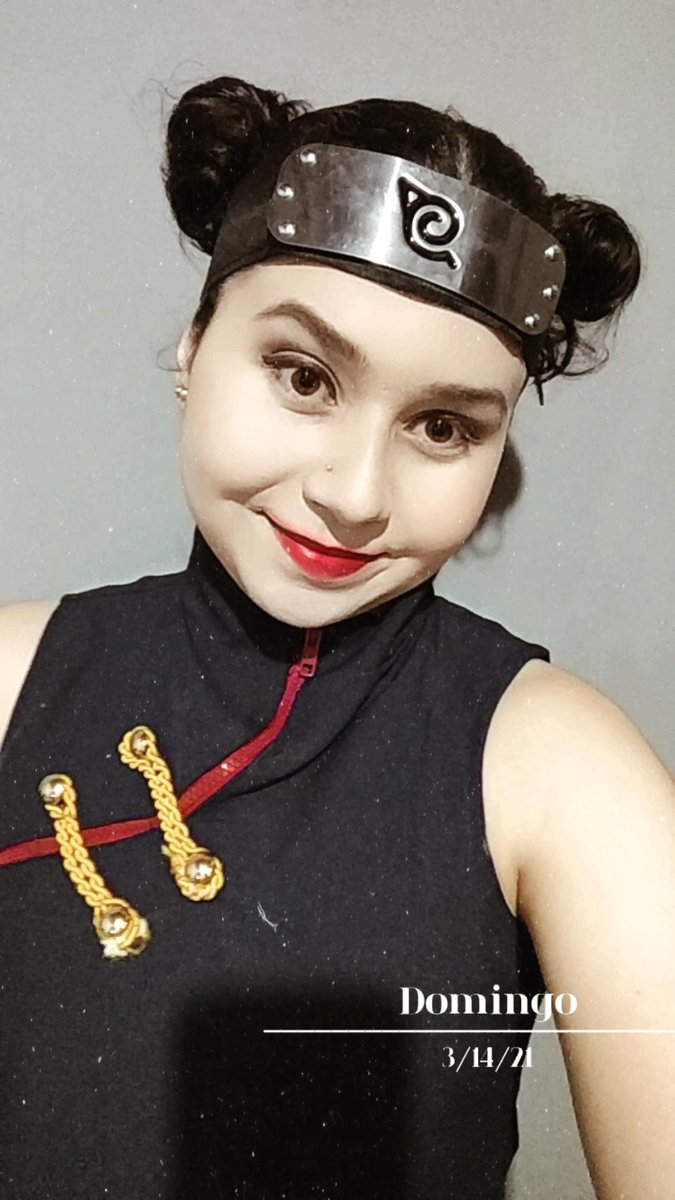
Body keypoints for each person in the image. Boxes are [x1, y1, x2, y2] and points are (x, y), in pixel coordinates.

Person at [0, 75, 673, 1200]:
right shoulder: (10, 681)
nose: (354, 495)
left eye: (442, 426)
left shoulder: (560, 770)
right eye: (304, 377)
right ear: (194, 345)